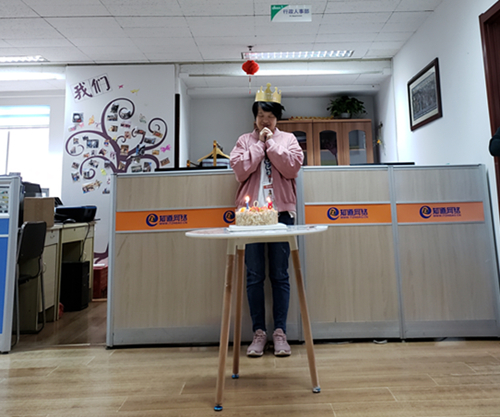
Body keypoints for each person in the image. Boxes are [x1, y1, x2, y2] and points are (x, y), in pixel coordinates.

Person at [229, 83, 304, 357]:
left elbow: (292, 168)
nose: (265, 120)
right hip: (251, 217)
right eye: (261, 115)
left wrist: (271, 143)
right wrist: (259, 146)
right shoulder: (243, 141)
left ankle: (280, 333)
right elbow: (239, 170)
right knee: (254, 275)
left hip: (281, 215)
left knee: (280, 275)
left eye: (270, 116)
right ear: (255, 117)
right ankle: (258, 333)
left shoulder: (289, 140)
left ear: (277, 118)